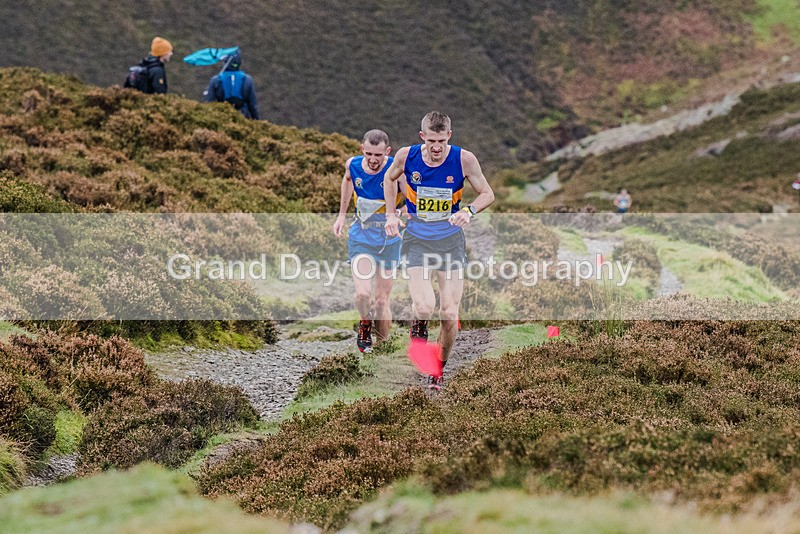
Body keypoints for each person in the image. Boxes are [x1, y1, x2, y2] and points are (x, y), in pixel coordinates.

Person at [384, 111, 494, 390]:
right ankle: (418, 324)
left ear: (449, 137)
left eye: (441, 141)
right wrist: (390, 215)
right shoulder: (406, 156)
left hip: (450, 241)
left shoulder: (464, 159)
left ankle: (438, 369)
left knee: (448, 314)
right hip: (417, 238)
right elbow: (389, 178)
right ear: (422, 137)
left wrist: (469, 211)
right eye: (431, 140)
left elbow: (487, 194)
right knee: (424, 306)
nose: (436, 147)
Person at [333, 130, 404, 353]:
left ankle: (383, 348)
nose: (373, 160)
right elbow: (347, 181)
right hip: (361, 237)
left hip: (389, 240)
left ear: (387, 152)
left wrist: (400, 212)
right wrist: (342, 215)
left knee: (381, 302)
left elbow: (412, 196)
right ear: (362, 149)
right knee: (363, 294)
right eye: (369, 154)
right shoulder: (352, 165)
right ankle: (364, 324)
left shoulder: (396, 168)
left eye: (379, 155)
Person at [203, 50, 260, 120]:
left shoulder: (216, 80)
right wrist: (257, 122)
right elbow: (253, 106)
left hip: (221, 118)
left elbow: (209, 102)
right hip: (243, 118)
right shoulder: (248, 80)